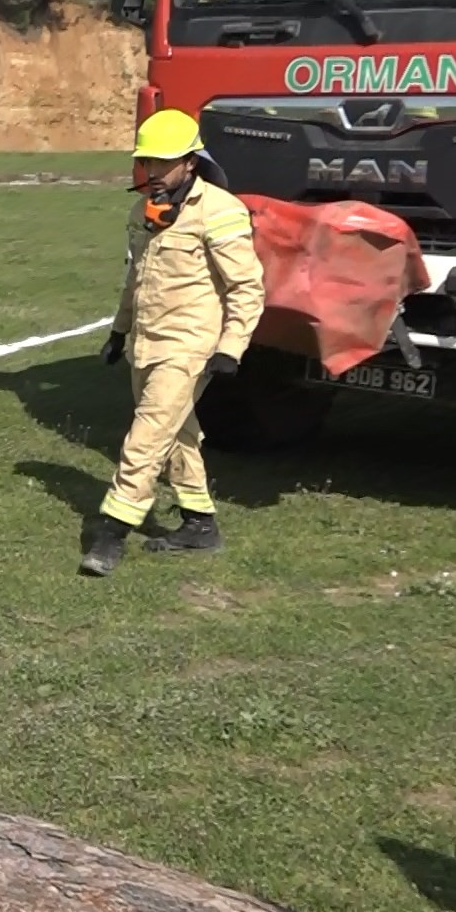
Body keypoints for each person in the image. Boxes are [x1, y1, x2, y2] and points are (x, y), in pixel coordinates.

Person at [81, 108, 265, 576]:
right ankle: (200, 524)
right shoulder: (141, 212)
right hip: (147, 342)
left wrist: (231, 347)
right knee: (177, 433)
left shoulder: (222, 211)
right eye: (147, 163)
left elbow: (247, 287)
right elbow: (134, 281)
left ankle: (111, 535)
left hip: (189, 346)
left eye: (163, 163)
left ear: (191, 161)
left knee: (144, 440)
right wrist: (118, 333)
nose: (153, 173)